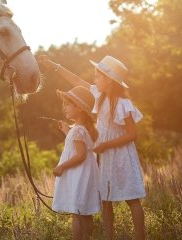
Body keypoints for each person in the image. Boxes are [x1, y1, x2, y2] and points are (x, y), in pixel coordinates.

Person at [39, 55, 146, 240]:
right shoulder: (99, 96)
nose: (94, 80)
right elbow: (76, 80)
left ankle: (140, 237)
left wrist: (106, 144)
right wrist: (53, 66)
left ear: (109, 80)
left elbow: (132, 134)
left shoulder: (123, 103)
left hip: (121, 156)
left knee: (131, 198)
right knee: (105, 199)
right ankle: (108, 235)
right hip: (104, 156)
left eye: (98, 76)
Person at [51, 86, 101, 240]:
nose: (63, 107)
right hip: (84, 174)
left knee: (77, 213)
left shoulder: (78, 130)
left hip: (80, 176)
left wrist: (61, 166)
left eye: (67, 104)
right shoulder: (81, 129)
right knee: (84, 212)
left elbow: (80, 155)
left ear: (79, 107)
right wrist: (67, 132)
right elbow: (78, 148)